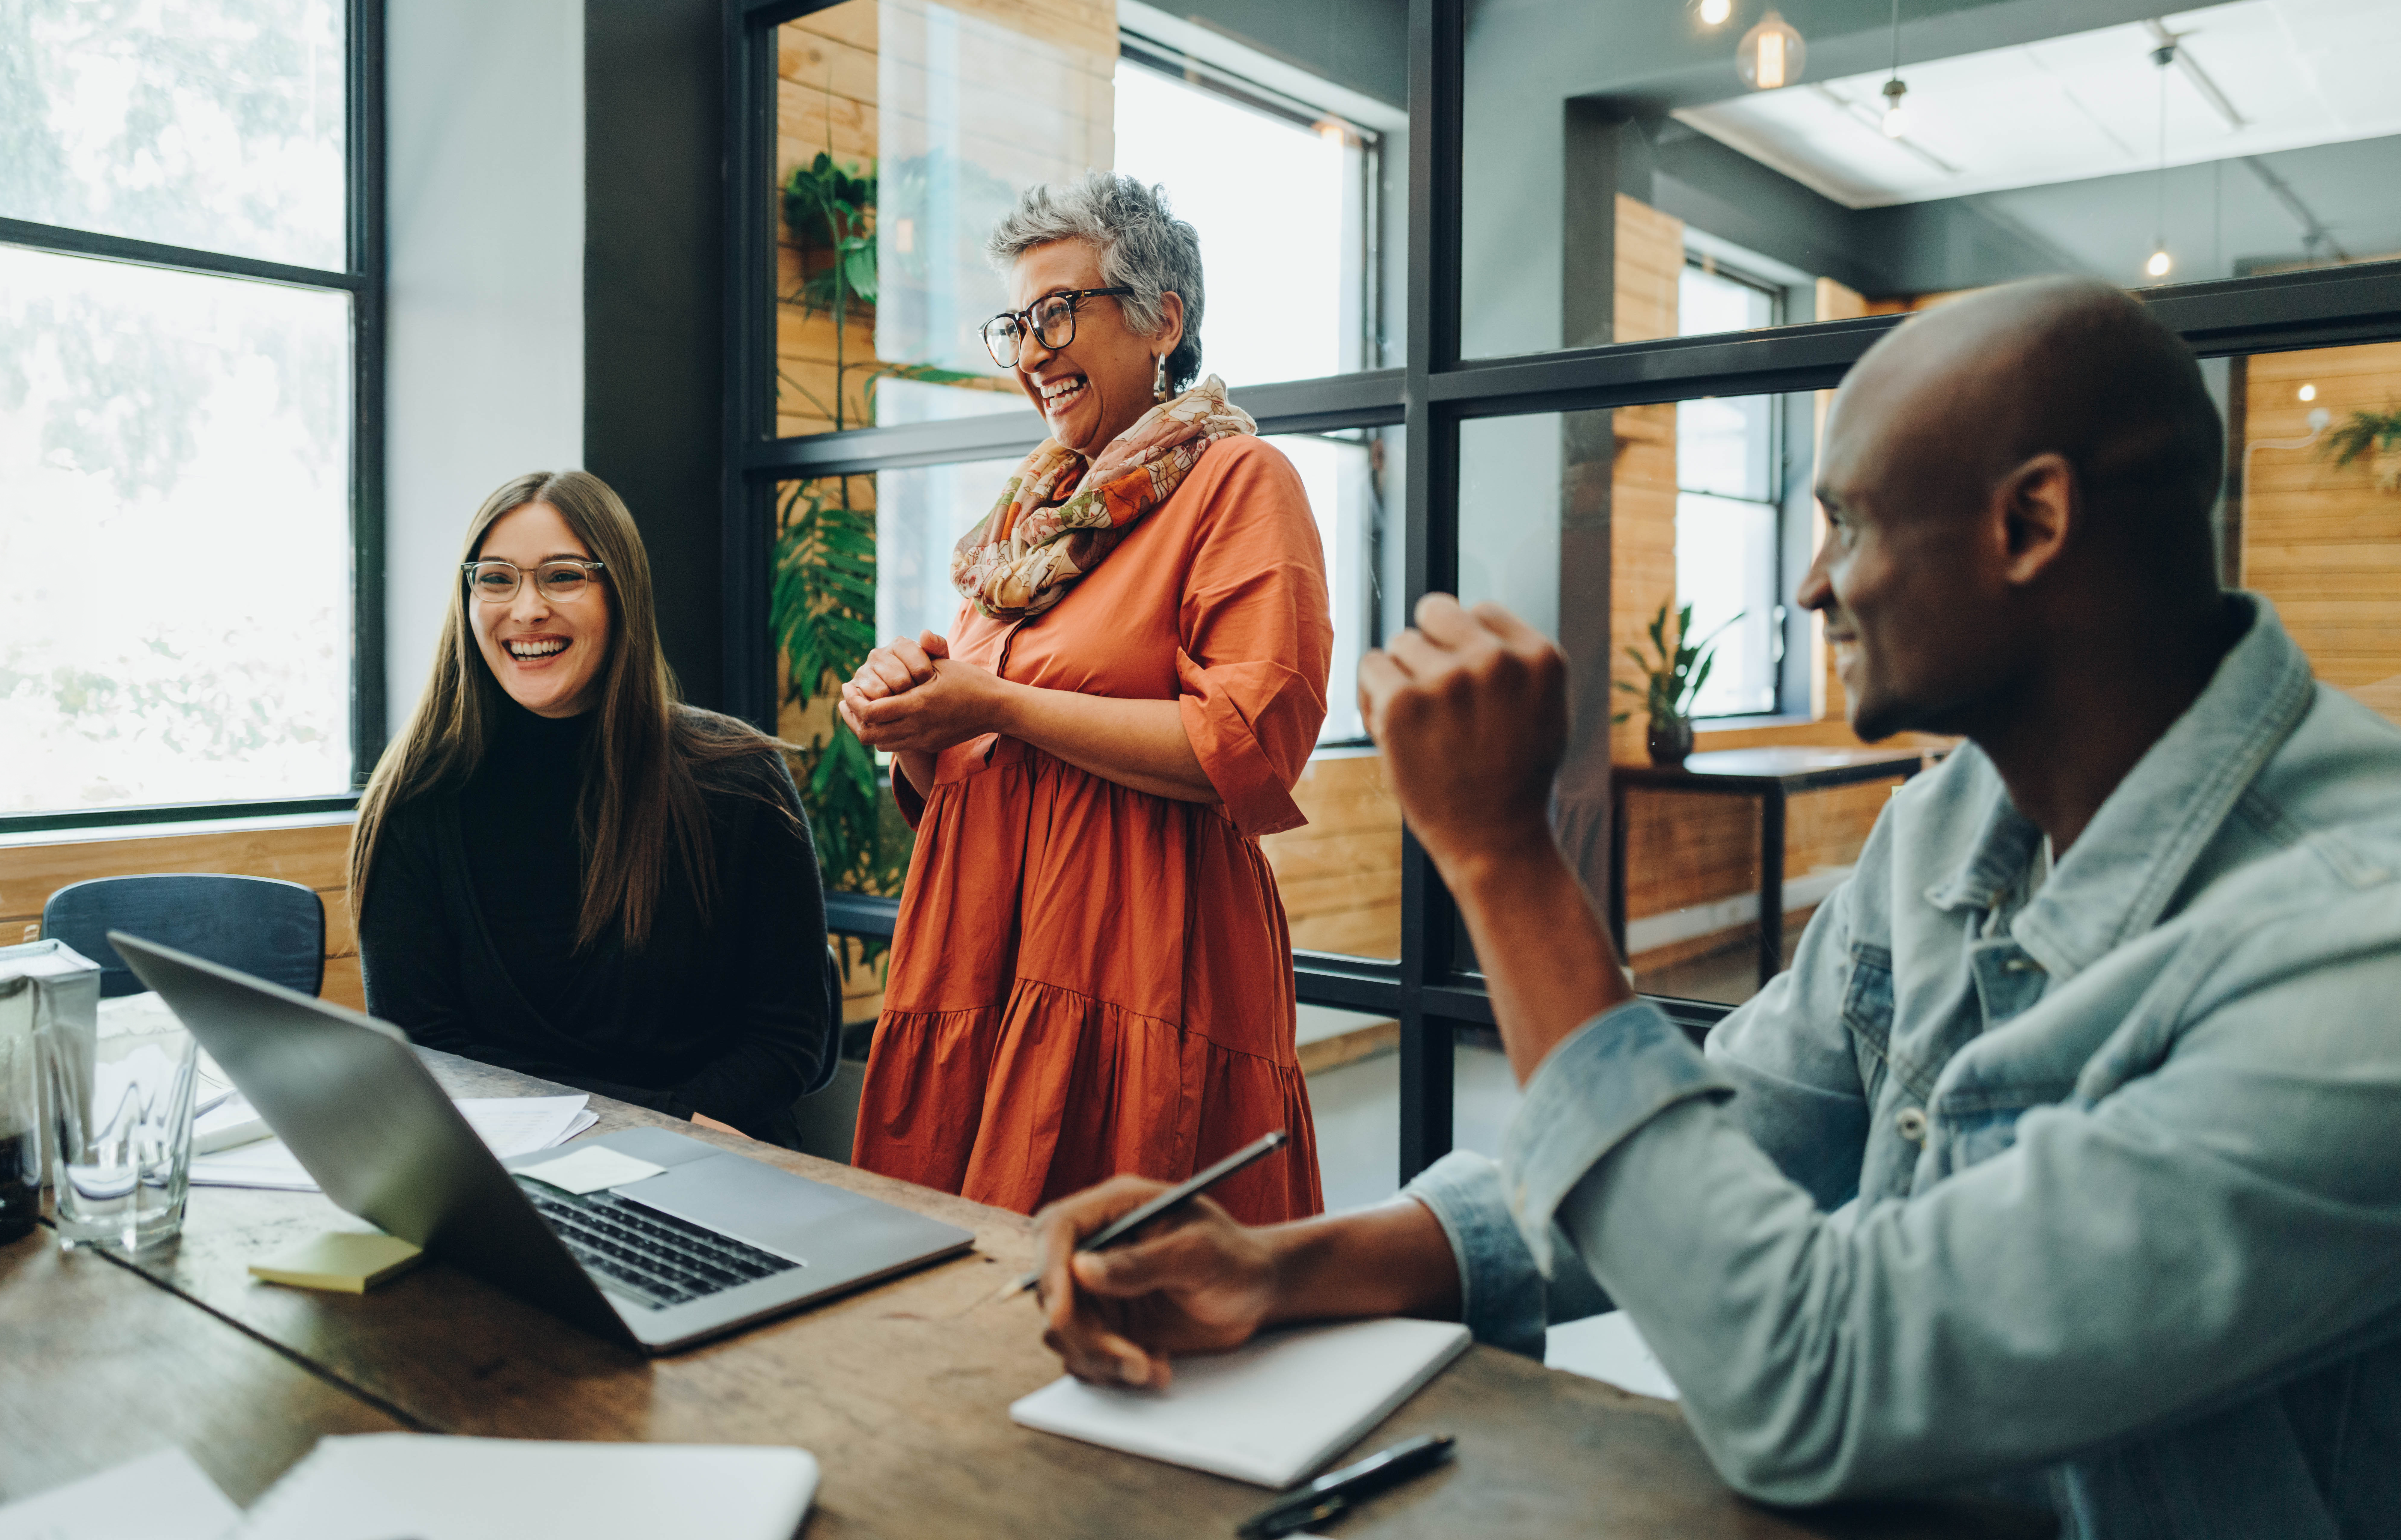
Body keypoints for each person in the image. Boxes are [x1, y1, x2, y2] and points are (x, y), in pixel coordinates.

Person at [1029, 278, 2401, 1530]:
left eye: (1847, 522)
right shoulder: (1945, 816)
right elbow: (1727, 1133)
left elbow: (1817, 1377)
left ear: (2029, 522)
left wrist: (1504, 858)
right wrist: (1283, 1265)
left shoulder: (2354, 957)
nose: (1810, 582)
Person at [837, 173, 1328, 1222]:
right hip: (978, 957)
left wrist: (995, 704)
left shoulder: (1239, 483)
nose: (1029, 351)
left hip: (1137, 963)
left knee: (1133, 1301)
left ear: (1163, 320)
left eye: (1058, 311)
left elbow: (1242, 746)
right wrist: (912, 720)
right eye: (1014, 323)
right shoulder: (1026, 525)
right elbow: (960, 778)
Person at [350, 470, 832, 1146]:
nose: (525, 609)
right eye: (496, 578)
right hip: (505, 1171)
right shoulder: (415, 798)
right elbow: (428, 1049)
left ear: (621, 592)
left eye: (562, 576)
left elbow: (790, 1039)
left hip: (707, 1158)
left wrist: (653, 1136)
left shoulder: (738, 776)